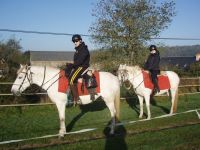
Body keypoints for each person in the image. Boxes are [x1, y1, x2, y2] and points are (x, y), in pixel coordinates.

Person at [68, 34, 90, 106]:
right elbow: (76, 62)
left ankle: (77, 99)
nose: (75, 42)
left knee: (71, 79)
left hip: (82, 67)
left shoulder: (83, 49)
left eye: (76, 41)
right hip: (78, 66)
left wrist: (71, 65)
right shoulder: (78, 50)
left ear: (80, 41)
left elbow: (80, 61)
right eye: (73, 41)